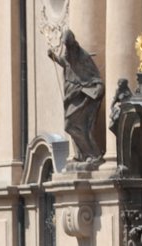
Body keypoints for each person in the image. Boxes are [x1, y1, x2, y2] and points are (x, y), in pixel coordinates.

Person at [47, 29, 104, 164]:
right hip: (71, 94)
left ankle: (92, 153)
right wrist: (53, 56)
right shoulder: (69, 54)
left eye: (68, 45)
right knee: (73, 126)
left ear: (72, 43)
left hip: (82, 95)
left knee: (71, 125)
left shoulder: (82, 56)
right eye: (65, 45)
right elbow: (66, 64)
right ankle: (82, 155)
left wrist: (89, 89)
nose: (66, 48)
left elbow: (93, 76)